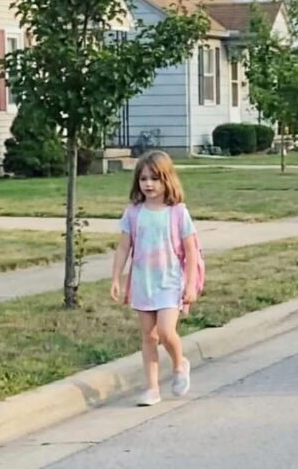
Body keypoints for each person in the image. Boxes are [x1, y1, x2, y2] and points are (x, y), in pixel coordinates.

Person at [110, 150, 200, 406]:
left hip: (170, 282)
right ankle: (152, 388)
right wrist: (116, 278)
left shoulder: (178, 213)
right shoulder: (133, 213)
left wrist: (190, 284)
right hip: (143, 282)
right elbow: (124, 247)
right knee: (149, 336)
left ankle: (180, 364)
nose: (148, 184)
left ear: (167, 180)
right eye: (143, 179)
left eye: (155, 178)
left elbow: (191, 251)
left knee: (165, 330)